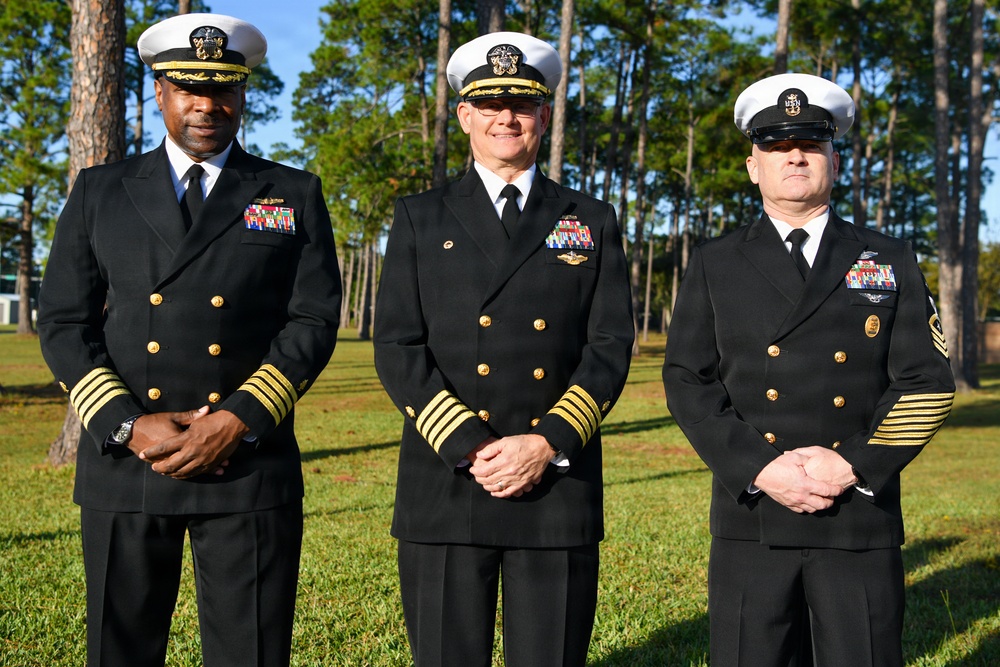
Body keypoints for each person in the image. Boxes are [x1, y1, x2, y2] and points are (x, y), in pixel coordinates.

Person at [37, 13, 342, 667]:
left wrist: (240, 418)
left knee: (249, 652)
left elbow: (312, 321)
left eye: (224, 89)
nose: (208, 105)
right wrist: (126, 424)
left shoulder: (291, 193)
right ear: (159, 91)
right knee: (120, 651)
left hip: (247, 465)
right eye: (189, 88)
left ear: (242, 94)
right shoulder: (100, 192)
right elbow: (63, 320)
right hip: (129, 464)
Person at [662, 72, 956, 666]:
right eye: (775, 146)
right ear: (753, 166)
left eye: (810, 144)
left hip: (857, 512)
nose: (794, 156)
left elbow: (928, 381)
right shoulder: (716, 262)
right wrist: (760, 467)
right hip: (753, 511)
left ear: (835, 160)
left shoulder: (888, 257)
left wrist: (852, 462)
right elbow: (687, 379)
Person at [373, 31, 634, 667]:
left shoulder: (591, 218)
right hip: (448, 478)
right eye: (488, 105)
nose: (505, 118)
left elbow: (609, 346)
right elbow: (398, 345)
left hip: (555, 479)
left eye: (520, 105)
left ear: (543, 116)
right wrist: (471, 447)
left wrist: (546, 443)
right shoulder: (419, 216)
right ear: (465, 116)